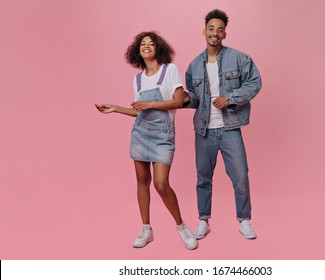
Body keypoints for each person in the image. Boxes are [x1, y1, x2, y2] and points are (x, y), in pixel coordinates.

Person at [95, 31, 197, 250]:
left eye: (151, 43)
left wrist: (149, 105)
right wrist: (116, 109)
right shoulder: (138, 79)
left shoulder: (170, 70)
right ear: (137, 50)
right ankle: (146, 229)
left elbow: (178, 102)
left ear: (158, 48)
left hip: (163, 136)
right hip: (140, 134)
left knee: (161, 184)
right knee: (142, 182)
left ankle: (181, 226)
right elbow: (139, 112)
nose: (147, 46)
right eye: (143, 44)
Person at [183, 9, 262, 240]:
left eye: (219, 29)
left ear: (224, 34)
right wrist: (186, 99)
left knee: (240, 176)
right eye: (211, 29)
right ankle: (203, 220)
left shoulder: (240, 58)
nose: (214, 33)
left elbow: (255, 83)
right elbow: (195, 99)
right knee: (203, 177)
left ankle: (244, 220)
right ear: (204, 32)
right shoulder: (194, 65)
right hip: (204, 130)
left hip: (230, 127)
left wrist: (231, 98)